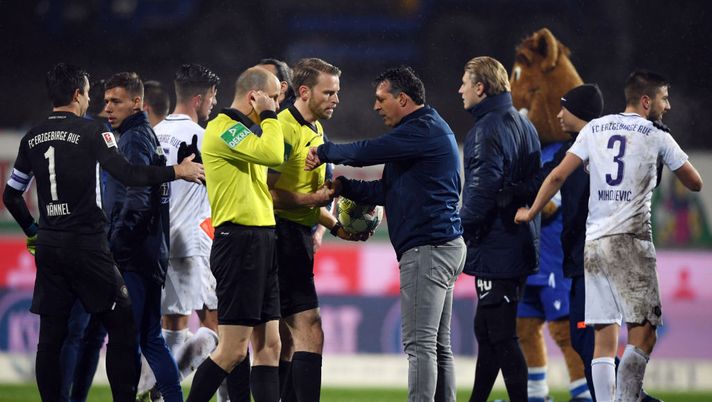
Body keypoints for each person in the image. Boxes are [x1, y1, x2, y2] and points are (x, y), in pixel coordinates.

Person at [2, 63, 203, 402]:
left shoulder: (31, 136)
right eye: (90, 94)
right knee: (125, 331)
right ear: (78, 94)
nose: (95, 103)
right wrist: (175, 171)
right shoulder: (93, 132)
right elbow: (128, 174)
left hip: (50, 246)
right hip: (89, 248)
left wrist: (34, 231)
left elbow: (11, 195)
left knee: (52, 338)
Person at [515, 70, 703, 402]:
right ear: (646, 101)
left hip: (594, 246)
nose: (668, 105)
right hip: (631, 243)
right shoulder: (655, 133)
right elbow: (694, 182)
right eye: (664, 98)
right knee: (643, 335)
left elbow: (557, 175)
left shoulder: (595, 130)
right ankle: (628, 399)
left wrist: (530, 212)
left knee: (602, 339)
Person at [305, 65, 466, 402]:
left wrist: (324, 151)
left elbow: (365, 151)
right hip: (444, 245)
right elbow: (388, 190)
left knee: (420, 345)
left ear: (402, 99)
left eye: (381, 99)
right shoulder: (427, 130)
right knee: (438, 345)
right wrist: (345, 187)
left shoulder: (419, 130)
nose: (375, 107)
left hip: (428, 248)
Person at [186, 67, 284, 402]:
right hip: (240, 243)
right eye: (273, 96)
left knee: (270, 346)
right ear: (254, 95)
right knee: (232, 351)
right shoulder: (223, 129)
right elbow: (274, 155)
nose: (277, 103)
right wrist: (270, 114)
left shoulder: (247, 134)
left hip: (262, 241)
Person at [268, 57, 357, 402]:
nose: (336, 99)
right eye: (329, 92)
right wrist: (314, 198)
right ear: (304, 92)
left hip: (298, 237)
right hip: (280, 236)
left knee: (285, 338)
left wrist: (335, 225)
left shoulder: (316, 129)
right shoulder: (284, 129)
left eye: (337, 92)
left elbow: (312, 199)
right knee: (306, 330)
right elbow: (267, 193)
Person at [510, 84, 604, 402]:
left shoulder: (569, 154)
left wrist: (516, 196)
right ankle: (537, 395)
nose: (556, 115)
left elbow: (552, 207)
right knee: (525, 326)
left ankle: (583, 394)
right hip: (530, 259)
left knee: (566, 334)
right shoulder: (538, 152)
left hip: (557, 261)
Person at [457, 56, 541, 402]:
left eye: (464, 82)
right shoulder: (523, 125)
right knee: (488, 329)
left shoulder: (487, 128)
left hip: (498, 243)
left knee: (502, 335)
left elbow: (482, 191)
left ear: (481, 87)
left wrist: (453, 229)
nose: (459, 89)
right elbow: (532, 182)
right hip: (518, 242)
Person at [103, 72, 183, 402]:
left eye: (116, 101)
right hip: (153, 252)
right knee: (150, 337)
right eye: (106, 101)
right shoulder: (143, 135)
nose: (108, 108)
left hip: (133, 256)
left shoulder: (134, 139)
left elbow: (135, 198)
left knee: (127, 337)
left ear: (137, 103)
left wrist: (116, 246)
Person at [152, 63, 231, 401]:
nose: (214, 103)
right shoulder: (205, 137)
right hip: (195, 241)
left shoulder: (153, 133)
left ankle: (161, 390)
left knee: (173, 326)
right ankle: (162, 389)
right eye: (212, 97)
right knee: (220, 329)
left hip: (159, 242)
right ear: (199, 98)